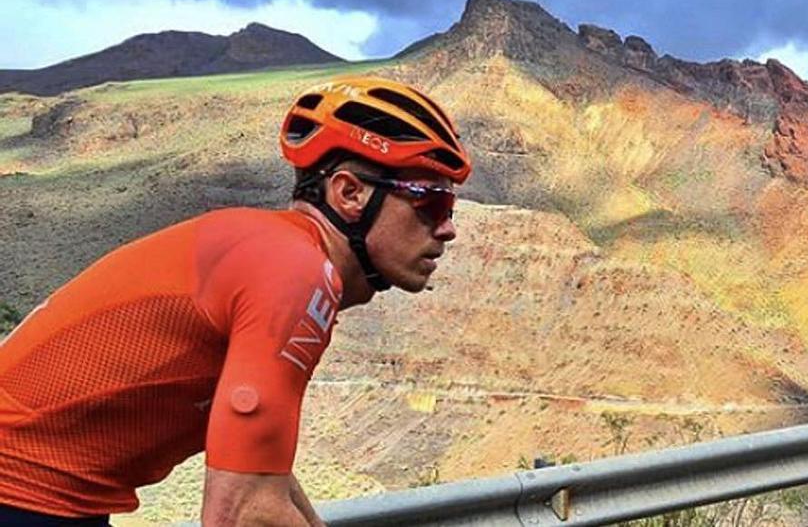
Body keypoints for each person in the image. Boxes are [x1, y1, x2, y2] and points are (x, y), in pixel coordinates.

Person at [0, 76, 470, 526]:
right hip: (24, 493)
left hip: (43, 496)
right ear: (349, 193)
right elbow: (241, 514)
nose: (447, 228)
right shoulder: (295, 270)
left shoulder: (277, 255)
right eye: (431, 202)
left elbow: (263, 477)